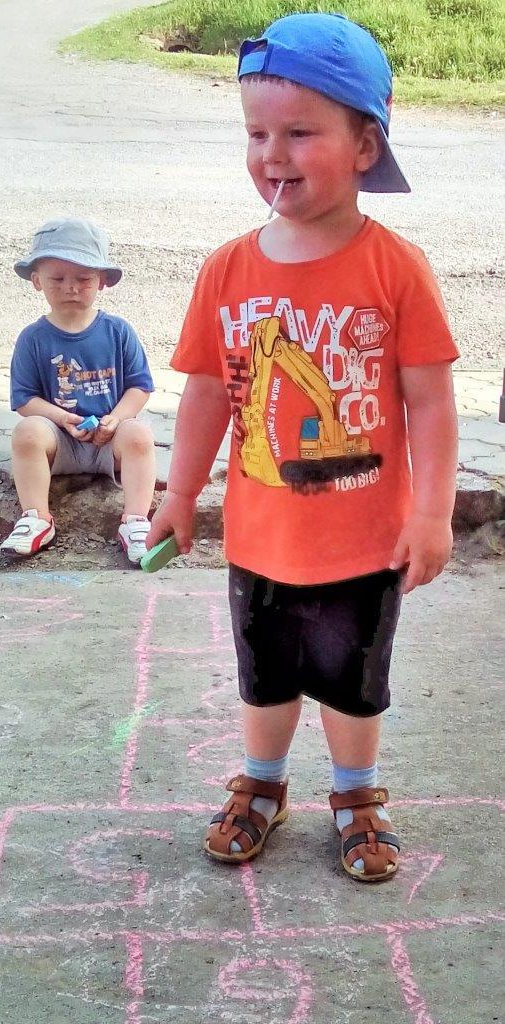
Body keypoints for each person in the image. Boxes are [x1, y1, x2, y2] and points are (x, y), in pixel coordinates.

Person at [147, 13, 459, 881]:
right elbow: (205, 392)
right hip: (261, 540)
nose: (271, 154)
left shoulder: (395, 266)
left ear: (364, 146)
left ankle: (355, 794)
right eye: (255, 134)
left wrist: (432, 512)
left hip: (366, 542)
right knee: (265, 677)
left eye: (298, 133)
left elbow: (431, 402)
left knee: (354, 682)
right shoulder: (227, 269)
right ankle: (263, 782)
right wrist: (180, 493)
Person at [0, 217, 156, 565]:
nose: (70, 287)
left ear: (102, 281)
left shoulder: (118, 331)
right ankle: (37, 518)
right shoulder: (33, 338)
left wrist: (116, 419)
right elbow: (25, 399)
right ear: (37, 281)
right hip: (60, 440)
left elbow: (140, 387)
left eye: (83, 279)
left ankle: (136, 522)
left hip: (110, 441)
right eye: (57, 279)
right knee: (27, 432)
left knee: (140, 435)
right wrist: (62, 419)